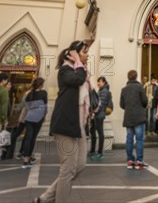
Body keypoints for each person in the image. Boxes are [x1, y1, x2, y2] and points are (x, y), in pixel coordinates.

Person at [33, 39, 91, 203]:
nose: (87, 55)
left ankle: (45, 198)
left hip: (78, 125)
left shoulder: (81, 71)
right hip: (65, 124)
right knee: (68, 169)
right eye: (84, 52)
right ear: (74, 54)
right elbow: (78, 79)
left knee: (79, 166)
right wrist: (78, 61)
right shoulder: (66, 70)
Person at [120, 70, 148, 169]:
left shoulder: (124, 89)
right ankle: (139, 160)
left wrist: (129, 108)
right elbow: (145, 102)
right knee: (139, 139)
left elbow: (121, 105)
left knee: (129, 139)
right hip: (139, 117)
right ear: (136, 77)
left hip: (129, 117)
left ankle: (130, 160)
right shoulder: (140, 87)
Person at [21, 78, 48, 169]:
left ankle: (25, 159)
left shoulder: (29, 94)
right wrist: (44, 116)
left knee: (28, 138)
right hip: (38, 117)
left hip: (29, 117)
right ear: (41, 85)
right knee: (32, 138)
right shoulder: (43, 93)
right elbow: (45, 106)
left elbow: (26, 106)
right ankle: (28, 158)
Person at [89, 76, 111, 160]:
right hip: (96, 115)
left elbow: (100, 105)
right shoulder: (101, 90)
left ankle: (100, 153)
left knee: (100, 133)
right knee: (93, 131)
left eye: (100, 82)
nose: (98, 83)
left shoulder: (104, 91)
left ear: (104, 82)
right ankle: (93, 151)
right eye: (98, 81)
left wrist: (94, 112)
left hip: (99, 115)